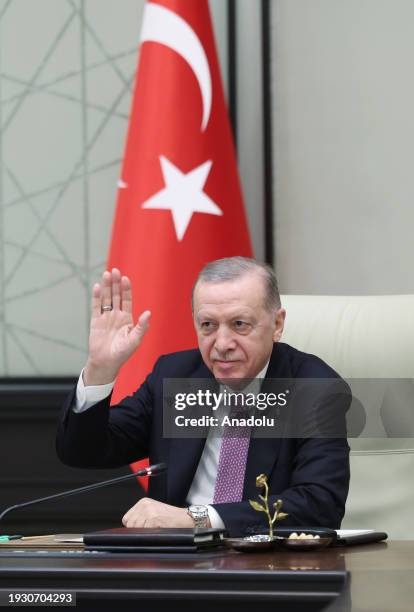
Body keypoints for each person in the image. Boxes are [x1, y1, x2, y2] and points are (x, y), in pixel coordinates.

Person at [57, 257, 350, 537]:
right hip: (178, 568)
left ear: (276, 325)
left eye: (239, 324)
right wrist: (100, 370)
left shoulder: (314, 386)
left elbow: (319, 504)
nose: (222, 344)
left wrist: (196, 518)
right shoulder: (176, 376)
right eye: (208, 325)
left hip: (269, 569)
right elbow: (84, 451)